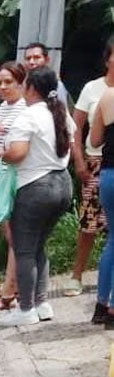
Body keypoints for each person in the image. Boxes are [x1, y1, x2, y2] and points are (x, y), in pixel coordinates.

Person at [0, 66, 75, 327]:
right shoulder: (61, 113)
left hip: (35, 187)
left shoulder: (28, 116)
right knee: (39, 245)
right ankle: (42, 303)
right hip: (63, 183)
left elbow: (18, 153)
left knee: (24, 249)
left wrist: (2, 154)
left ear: (30, 88)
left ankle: (26, 309)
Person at [66, 36, 114, 298]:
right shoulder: (92, 89)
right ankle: (76, 275)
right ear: (107, 59)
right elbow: (76, 127)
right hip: (96, 161)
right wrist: (79, 159)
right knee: (89, 223)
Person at [0, 62, 28, 313]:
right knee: (8, 233)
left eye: (8, 82)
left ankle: (9, 290)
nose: (3, 87)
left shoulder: (25, 109)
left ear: (21, 83)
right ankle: (15, 286)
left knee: (15, 235)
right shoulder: (3, 107)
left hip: (12, 177)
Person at [89, 84, 114, 328]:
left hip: (108, 175)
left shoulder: (107, 95)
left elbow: (95, 140)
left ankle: (101, 305)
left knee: (112, 240)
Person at [23, 42, 71, 108]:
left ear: (47, 60)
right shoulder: (22, 84)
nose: (31, 62)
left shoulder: (56, 85)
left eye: (37, 57)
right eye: (28, 58)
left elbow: (62, 110)